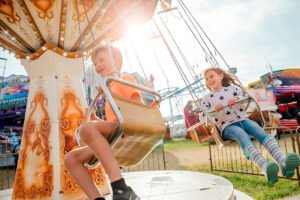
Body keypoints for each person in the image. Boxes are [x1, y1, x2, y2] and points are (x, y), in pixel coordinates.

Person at [64, 46, 141, 200]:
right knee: (71, 159)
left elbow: (136, 105)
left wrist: (109, 91)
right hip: (115, 134)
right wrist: (96, 121)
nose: (97, 65)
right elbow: (112, 122)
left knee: (86, 130)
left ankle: (121, 188)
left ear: (116, 61)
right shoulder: (110, 88)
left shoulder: (124, 79)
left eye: (101, 60)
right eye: (94, 63)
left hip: (129, 128)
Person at [200, 66, 300, 184]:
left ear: (221, 76)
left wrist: (237, 98)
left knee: (261, 133)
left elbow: (248, 97)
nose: (209, 80)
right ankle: (265, 167)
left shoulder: (232, 90)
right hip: (227, 126)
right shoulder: (207, 99)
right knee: (241, 135)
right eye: (206, 79)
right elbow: (202, 116)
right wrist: (213, 109)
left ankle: (283, 163)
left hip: (243, 119)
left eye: (211, 76)